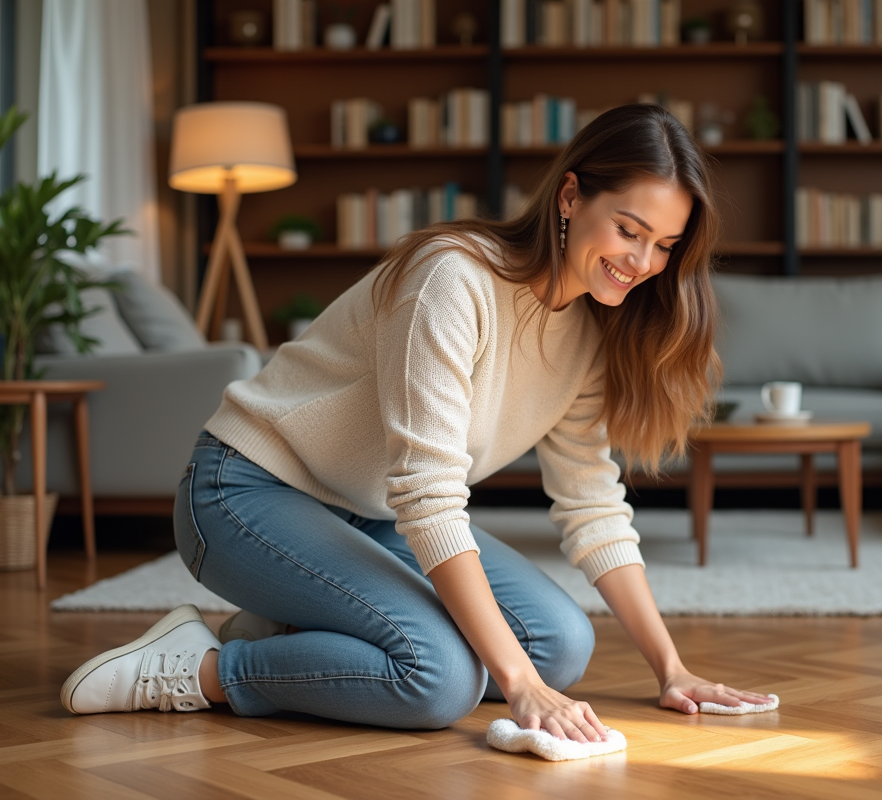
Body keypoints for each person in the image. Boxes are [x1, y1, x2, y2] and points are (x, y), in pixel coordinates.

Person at [61, 104, 771, 740]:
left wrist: (671, 669)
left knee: (559, 644)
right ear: (569, 195)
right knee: (439, 678)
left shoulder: (589, 332)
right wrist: (518, 687)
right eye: (629, 230)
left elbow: (590, 502)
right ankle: (202, 669)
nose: (643, 263)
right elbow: (429, 495)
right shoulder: (452, 279)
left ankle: (299, 624)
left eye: (665, 245)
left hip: (366, 512)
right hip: (245, 492)